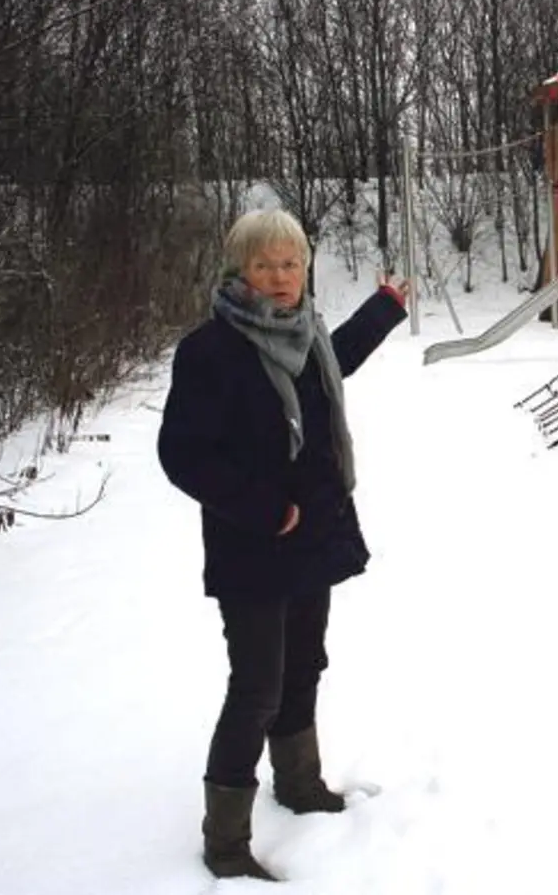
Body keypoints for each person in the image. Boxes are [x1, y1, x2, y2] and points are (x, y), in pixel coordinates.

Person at [157, 208, 408, 881]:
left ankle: (299, 785)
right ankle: (227, 843)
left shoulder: (306, 335)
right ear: (239, 271)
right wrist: (263, 509)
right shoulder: (209, 351)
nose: (278, 277)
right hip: (251, 548)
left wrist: (386, 309)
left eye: (290, 264)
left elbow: (336, 362)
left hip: (313, 537)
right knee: (257, 687)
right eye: (264, 265)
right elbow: (182, 454)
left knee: (305, 664)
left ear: (305, 270)